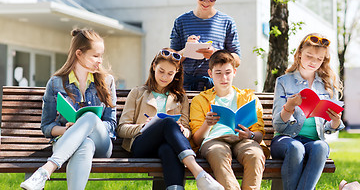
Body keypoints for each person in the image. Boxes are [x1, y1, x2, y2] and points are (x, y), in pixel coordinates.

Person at [20, 28, 117, 190]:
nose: (100, 61)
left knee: (90, 118)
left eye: (101, 55)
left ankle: (45, 171)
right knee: (84, 144)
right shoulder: (56, 83)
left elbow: (111, 124)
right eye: (95, 56)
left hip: (101, 143)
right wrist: (68, 130)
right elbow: (47, 126)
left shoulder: (107, 81)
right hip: (67, 142)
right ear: (79, 54)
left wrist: (85, 126)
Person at [117, 48, 224, 190]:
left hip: (170, 146)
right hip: (142, 144)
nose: (164, 77)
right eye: (161, 71)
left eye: (170, 73)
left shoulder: (180, 98)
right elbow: (122, 128)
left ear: (176, 74)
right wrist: (143, 127)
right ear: (154, 67)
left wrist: (182, 130)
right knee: (167, 122)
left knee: (168, 149)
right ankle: (199, 173)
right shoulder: (138, 93)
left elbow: (187, 131)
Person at [271, 33, 345, 190]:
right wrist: (289, 107)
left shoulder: (327, 84)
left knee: (322, 147)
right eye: (309, 56)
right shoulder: (283, 82)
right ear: (299, 54)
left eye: (319, 59)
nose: (313, 62)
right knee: (296, 147)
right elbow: (278, 126)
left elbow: (328, 128)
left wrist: (336, 121)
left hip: (313, 142)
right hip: (285, 140)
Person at [190, 50, 269, 190]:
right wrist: (207, 125)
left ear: (234, 72)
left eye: (227, 72)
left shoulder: (248, 97)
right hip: (214, 141)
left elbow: (259, 133)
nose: (223, 78)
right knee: (217, 154)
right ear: (210, 74)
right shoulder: (200, 100)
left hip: (243, 139)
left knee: (255, 154)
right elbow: (197, 140)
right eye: (218, 73)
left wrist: (250, 135)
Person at [170, 0, 241, 91]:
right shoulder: (181, 21)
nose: (206, 2)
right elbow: (171, 61)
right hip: (185, 90)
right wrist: (186, 50)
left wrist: (216, 54)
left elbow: (237, 60)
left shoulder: (227, 22)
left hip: (216, 90)